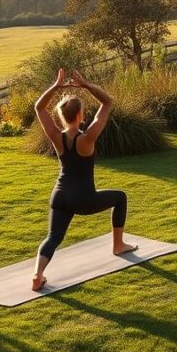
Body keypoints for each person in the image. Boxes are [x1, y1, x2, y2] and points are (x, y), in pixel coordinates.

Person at [31, 68, 137, 291]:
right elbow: (107, 103)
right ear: (79, 116)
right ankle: (118, 245)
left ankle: (38, 274)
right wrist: (87, 85)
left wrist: (55, 86)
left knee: (53, 237)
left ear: (61, 115)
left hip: (59, 195)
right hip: (83, 199)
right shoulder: (88, 138)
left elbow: (39, 107)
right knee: (120, 197)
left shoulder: (55, 136)